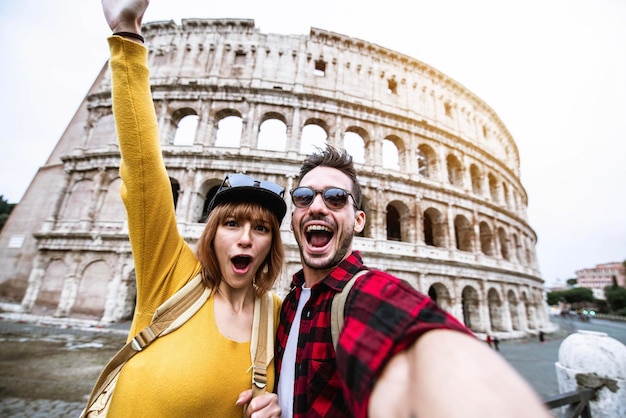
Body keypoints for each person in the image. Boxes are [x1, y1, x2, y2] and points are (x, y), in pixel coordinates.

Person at [96, 1, 283, 416]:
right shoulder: (171, 274)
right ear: (211, 231)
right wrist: (126, 35)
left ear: (273, 243)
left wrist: (274, 407)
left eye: (262, 228)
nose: (246, 238)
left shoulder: (276, 315)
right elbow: (144, 169)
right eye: (232, 223)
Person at [269, 145, 551, 417]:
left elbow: (423, 355)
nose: (317, 206)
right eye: (304, 197)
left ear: (359, 220)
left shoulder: (368, 293)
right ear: (293, 214)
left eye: (336, 198)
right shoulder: (289, 304)